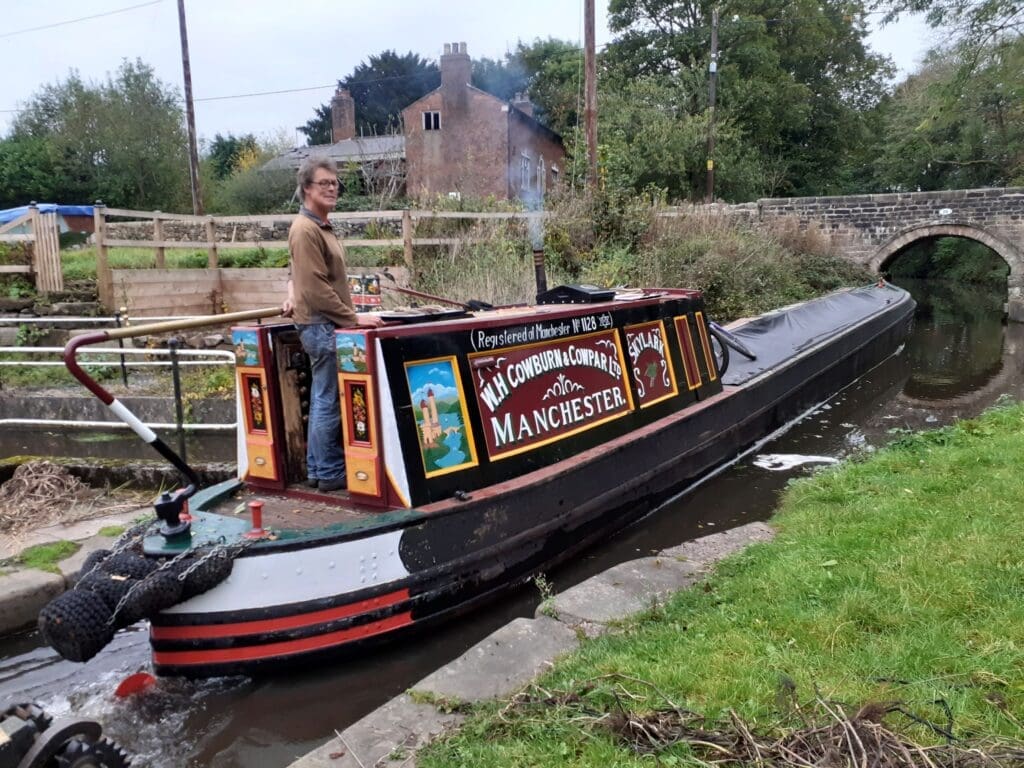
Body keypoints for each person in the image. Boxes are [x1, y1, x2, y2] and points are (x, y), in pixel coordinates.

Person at [282, 156, 383, 492]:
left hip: (321, 322)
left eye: (334, 182)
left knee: (323, 394)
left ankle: (316, 470)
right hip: (322, 325)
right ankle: (329, 472)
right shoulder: (306, 229)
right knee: (330, 399)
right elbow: (315, 286)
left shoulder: (318, 227)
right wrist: (354, 319)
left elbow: (295, 273)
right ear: (306, 189)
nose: (332, 188)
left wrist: (291, 293)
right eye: (323, 183)